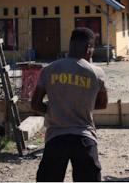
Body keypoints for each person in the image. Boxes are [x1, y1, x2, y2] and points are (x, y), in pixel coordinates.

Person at [32, 27, 108, 182]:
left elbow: (35, 104)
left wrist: (55, 110)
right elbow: (102, 104)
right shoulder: (96, 73)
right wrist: (81, 106)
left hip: (56, 138)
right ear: (88, 48)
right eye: (92, 48)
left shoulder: (49, 70)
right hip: (84, 137)